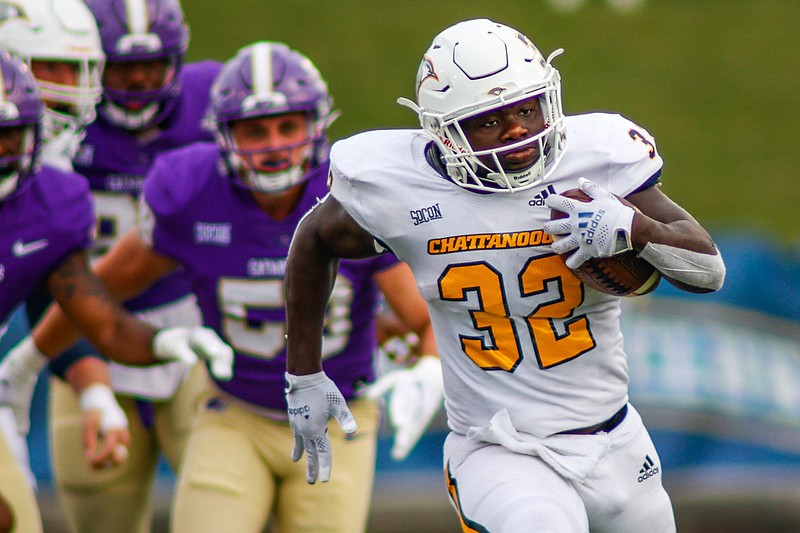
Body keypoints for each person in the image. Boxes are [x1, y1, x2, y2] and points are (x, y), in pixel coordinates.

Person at [283, 18, 726, 533]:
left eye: (524, 109)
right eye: (489, 120)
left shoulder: (595, 162)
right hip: (501, 450)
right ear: (444, 131)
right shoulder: (398, 185)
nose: (516, 130)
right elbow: (313, 240)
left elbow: (708, 271)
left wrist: (634, 227)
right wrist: (303, 373)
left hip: (618, 443)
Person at [31, 41, 441, 533]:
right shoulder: (193, 190)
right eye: (254, 130)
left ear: (315, 125)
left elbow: (426, 317)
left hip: (339, 417)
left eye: (287, 126)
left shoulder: (353, 197)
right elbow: (94, 292)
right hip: (234, 413)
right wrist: (24, 363)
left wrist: (431, 368)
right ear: (224, 135)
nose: (272, 144)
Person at [4, 0, 223, 531]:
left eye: (75, 69)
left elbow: (78, 297)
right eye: (47, 68)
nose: (137, 81)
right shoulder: (50, 163)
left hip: (178, 323)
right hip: (69, 347)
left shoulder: (51, 188)